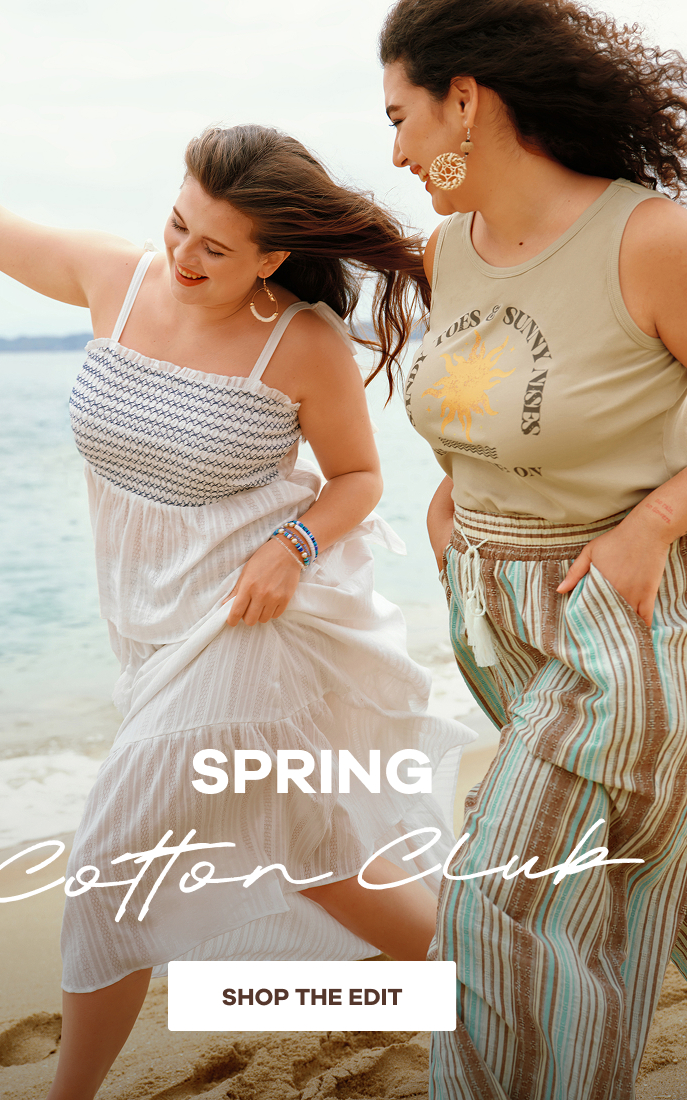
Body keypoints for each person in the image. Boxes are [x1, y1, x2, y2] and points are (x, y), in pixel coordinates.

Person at [0, 121, 476, 1098]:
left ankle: (70, 1091)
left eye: (215, 246)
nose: (184, 256)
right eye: (178, 224)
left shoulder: (299, 342)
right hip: (148, 628)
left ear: (273, 255)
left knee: (111, 855)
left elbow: (357, 477)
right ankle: (491, 994)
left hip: (250, 623)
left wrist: (293, 544)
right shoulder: (119, 277)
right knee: (315, 857)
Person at [378, 0, 687, 1096]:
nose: (399, 150)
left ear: (468, 100)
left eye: (403, 116)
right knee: (620, 888)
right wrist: (452, 499)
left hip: (614, 613)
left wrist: (654, 522)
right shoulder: (446, 249)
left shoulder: (650, 237)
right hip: (496, 618)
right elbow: (489, 404)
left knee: (498, 895)